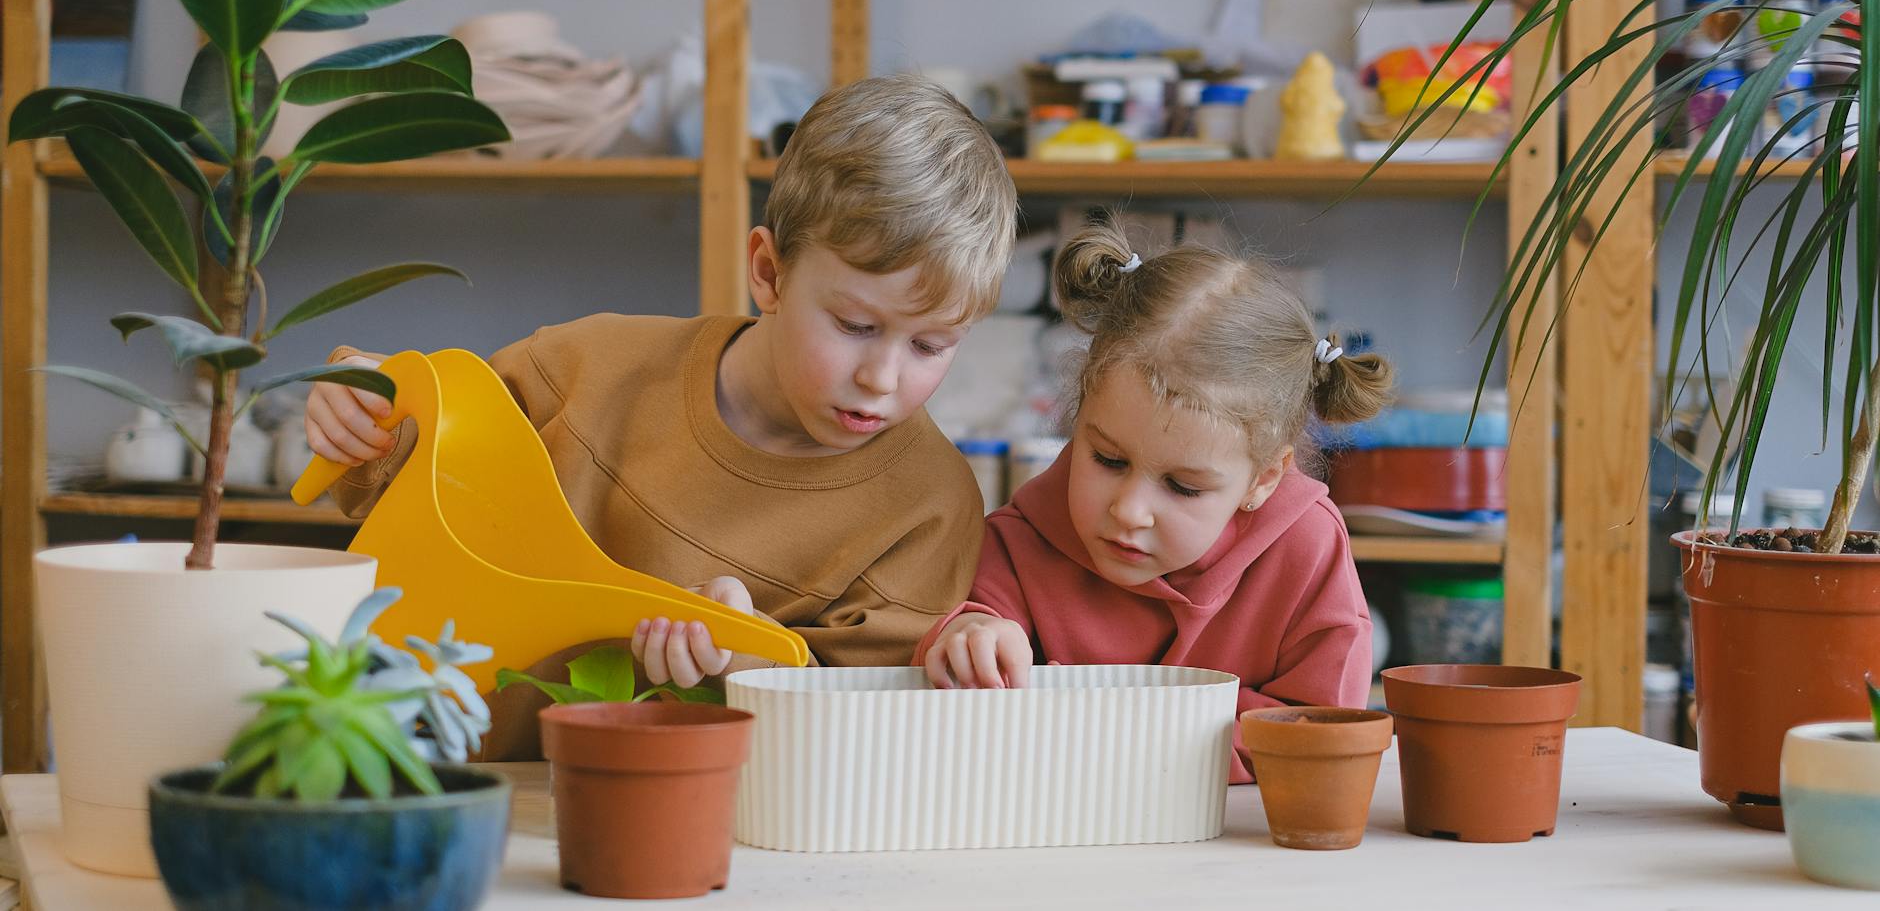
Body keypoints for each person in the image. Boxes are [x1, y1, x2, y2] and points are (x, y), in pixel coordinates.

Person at [308, 77, 1018, 756]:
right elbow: (411, 480)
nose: (882, 377)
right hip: (425, 777)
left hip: (703, 836)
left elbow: (867, 733)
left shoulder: (929, 507)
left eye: (931, 344)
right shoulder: (582, 367)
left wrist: (750, 661)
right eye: (855, 325)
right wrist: (362, 412)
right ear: (768, 273)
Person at [917, 216, 1388, 781]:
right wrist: (969, 635)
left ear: (1264, 478)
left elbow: (1320, 731)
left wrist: (1126, 731)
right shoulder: (1024, 538)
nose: (1129, 512)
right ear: (1079, 418)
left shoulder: (1306, 548)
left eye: (1183, 487)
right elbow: (964, 686)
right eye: (1108, 460)